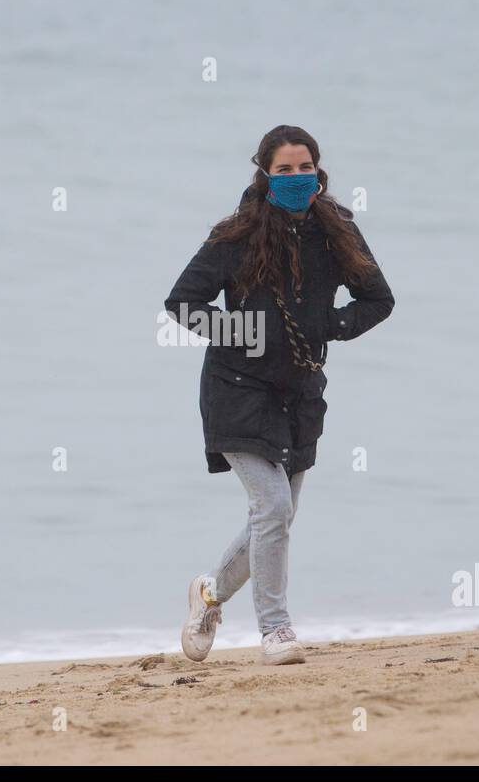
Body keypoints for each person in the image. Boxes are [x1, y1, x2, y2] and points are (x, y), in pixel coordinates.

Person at [165, 124, 394, 665]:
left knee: (277, 516)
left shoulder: (337, 232)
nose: (296, 178)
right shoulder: (235, 237)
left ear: (319, 171)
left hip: (300, 393)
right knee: (271, 505)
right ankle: (276, 631)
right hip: (236, 388)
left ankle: (208, 595)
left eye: (305, 168)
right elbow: (182, 303)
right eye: (285, 170)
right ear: (265, 174)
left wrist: (329, 325)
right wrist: (243, 334)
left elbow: (378, 299)